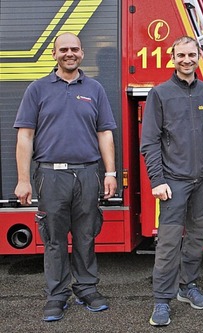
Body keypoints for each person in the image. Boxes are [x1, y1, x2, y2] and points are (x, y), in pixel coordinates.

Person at [13, 32, 117, 322]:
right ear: (54, 54)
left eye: (74, 49)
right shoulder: (37, 89)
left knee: (86, 235)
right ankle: (57, 295)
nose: (69, 53)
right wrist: (24, 180)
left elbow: (104, 133)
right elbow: (25, 137)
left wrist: (109, 173)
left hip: (87, 173)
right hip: (50, 174)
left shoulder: (95, 89)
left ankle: (86, 288)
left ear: (82, 53)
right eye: (63, 50)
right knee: (54, 239)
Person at [140, 36, 203, 326]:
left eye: (191, 54)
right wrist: (157, 180)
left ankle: (187, 287)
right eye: (181, 55)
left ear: (199, 56)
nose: (186, 60)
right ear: (172, 57)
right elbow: (149, 141)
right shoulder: (159, 94)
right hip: (172, 183)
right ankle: (162, 299)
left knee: (198, 237)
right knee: (169, 242)